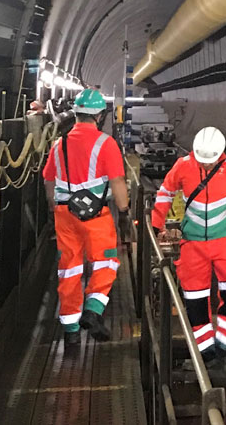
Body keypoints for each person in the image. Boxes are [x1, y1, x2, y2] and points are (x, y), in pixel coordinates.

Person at [151, 127, 226, 375]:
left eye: (210, 162)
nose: (205, 167)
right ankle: (207, 353)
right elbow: (164, 194)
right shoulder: (183, 166)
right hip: (193, 244)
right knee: (195, 300)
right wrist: (155, 223)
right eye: (202, 162)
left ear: (220, 155)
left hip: (225, 241)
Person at [42, 88, 130, 344]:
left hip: (64, 214)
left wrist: (53, 210)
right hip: (95, 215)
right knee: (106, 261)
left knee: (69, 268)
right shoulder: (106, 144)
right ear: (100, 116)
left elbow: (49, 181)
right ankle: (93, 310)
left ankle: (70, 331)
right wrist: (124, 212)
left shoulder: (59, 144)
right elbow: (118, 183)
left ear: (76, 113)